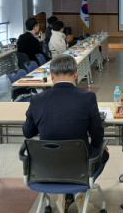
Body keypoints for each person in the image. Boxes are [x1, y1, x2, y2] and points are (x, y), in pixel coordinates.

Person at [23, 55, 108, 212]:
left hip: (46, 167)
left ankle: (65, 196)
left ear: (51, 74)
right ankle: (79, 191)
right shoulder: (88, 98)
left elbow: (28, 132)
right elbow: (97, 133)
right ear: (76, 74)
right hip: (79, 167)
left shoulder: (37, 100)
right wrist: (99, 148)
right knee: (103, 154)